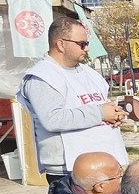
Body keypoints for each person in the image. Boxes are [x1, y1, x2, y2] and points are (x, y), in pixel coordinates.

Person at [16, 17, 128, 184]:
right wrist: (100, 113)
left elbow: (100, 106)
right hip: (69, 171)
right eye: (82, 44)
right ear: (61, 44)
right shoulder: (42, 77)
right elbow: (52, 119)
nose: (87, 48)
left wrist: (114, 114)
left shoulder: (90, 74)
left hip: (105, 164)